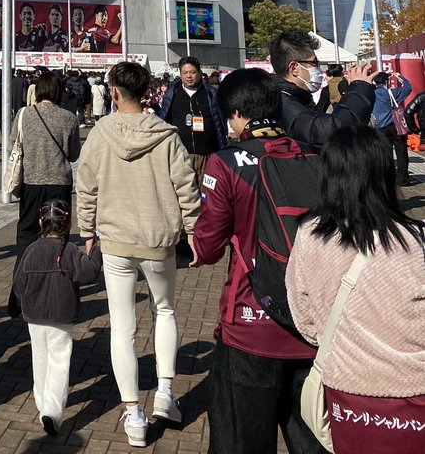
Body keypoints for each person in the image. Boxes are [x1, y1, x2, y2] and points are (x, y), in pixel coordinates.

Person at [190, 68, 324, 454]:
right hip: (313, 322)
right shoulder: (316, 156)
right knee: (312, 439)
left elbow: (209, 245)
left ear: (234, 115)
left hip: (251, 323)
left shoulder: (226, 163)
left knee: (240, 440)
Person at [76, 61, 200, 448]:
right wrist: (194, 232)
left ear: (114, 91)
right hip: (158, 237)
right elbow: (186, 189)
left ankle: (133, 413)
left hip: (115, 240)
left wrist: (86, 230)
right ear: (148, 91)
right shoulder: (166, 135)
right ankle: (165, 391)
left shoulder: (99, 134)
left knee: (123, 326)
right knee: (164, 309)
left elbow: (86, 186)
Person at [286, 126, 425, 452]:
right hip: (416, 392)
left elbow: (303, 318)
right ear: (384, 173)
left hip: (347, 390)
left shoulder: (310, 235)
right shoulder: (417, 240)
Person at [13, 199, 103, 436]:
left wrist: (25, 302)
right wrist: (95, 251)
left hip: (34, 315)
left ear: (41, 222)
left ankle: (42, 402)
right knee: (59, 361)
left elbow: (19, 284)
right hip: (61, 314)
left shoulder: (31, 250)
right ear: (68, 224)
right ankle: (51, 411)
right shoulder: (70, 250)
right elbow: (89, 272)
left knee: (40, 358)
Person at [14, 72, 81, 265]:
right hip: (60, 182)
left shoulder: (24, 114)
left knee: (27, 232)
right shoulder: (69, 118)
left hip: (31, 181)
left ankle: (23, 277)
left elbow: (13, 144)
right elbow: (74, 153)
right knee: (59, 232)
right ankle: (58, 272)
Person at [270, 30, 375, 151]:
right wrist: (360, 87)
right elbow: (330, 131)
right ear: (294, 68)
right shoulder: (283, 102)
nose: (319, 69)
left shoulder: (293, 97)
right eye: (314, 63)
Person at [155, 55, 228, 181]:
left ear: (199, 73)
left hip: (208, 154)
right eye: (185, 73)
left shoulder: (211, 94)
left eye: (193, 72)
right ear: (180, 74)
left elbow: (220, 122)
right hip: (181, 154)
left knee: (208, 193)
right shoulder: (172, 94)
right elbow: (164, 119)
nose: (189, 76)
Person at [372, 69, 413, 186]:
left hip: (380, 127)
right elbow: (408, 87)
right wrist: (400, 77)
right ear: (387, 82)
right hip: (395, 127)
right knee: (401, 153)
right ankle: (402, 179)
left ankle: (388, 178)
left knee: (386, 154)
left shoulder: (372, 93)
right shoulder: (392, 93)